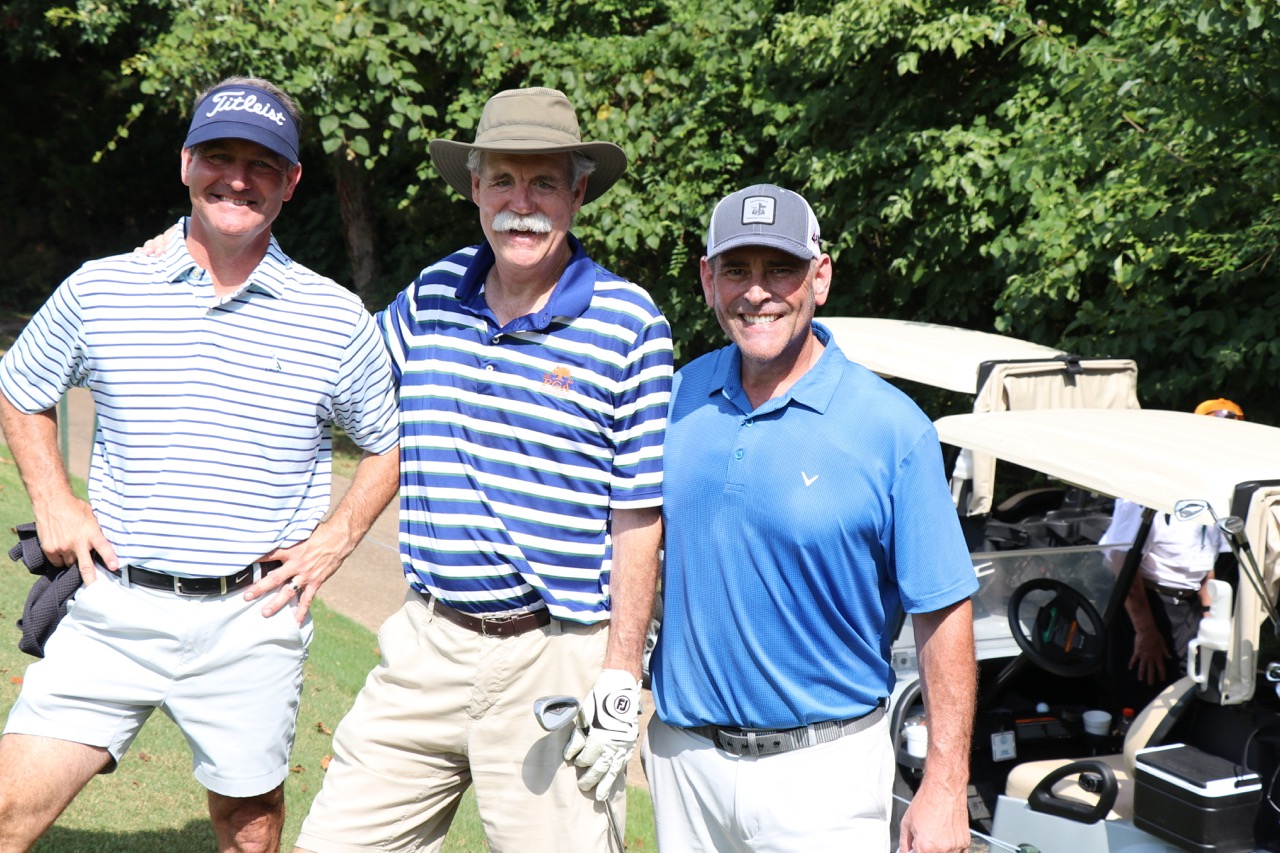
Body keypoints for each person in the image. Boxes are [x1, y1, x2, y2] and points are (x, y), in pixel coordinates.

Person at [0, 76, 400, 852]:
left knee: (249, 827)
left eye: (262, 164)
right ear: (187, 163)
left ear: (291, 183)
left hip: (252, 620)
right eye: (220, 155)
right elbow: (20, 389)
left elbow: (385, 443)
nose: (238, 178)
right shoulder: (104, 287)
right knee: (9, 808)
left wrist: (337, 537)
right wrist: (54, 499)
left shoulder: (333, 316)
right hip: (115, 607)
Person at [293, 87, 673, 853]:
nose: (520, 204)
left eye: (542, 183)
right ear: (474, 187)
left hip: (556, 657)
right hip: (427, 643)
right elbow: (336, 385)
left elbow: (638, 515)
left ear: (578, 191)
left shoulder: (632, 324)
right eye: (502, 180)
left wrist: (621, 673)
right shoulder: (431, 296)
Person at [643, 184, 979, 853]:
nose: (757, 292)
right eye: (736, 269)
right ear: (708, 279)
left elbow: (944, 612)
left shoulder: (892, 428)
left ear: (819, 277)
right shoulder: (674, 399)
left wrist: (944, 782)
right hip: (684, 765)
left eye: (781, 269)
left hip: (822, 774)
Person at [1101, 398, 1241, 707]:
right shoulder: (1154, 487)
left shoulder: (1218, 493)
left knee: (1189, 687)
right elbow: (1119, 559)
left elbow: (1206, 566)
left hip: (1187, 605)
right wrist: (1146, 630)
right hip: (1145, 602)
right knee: (1145, 690)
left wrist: (1210, 619)